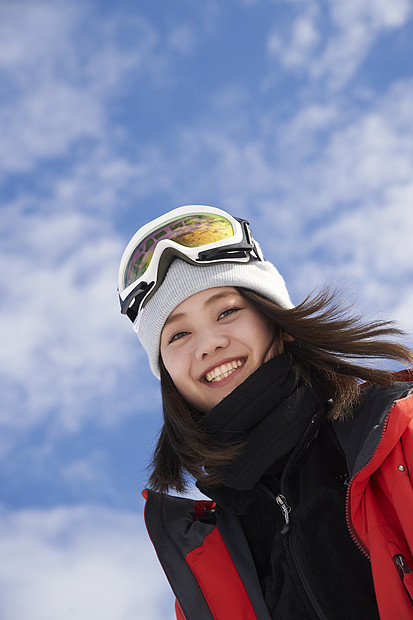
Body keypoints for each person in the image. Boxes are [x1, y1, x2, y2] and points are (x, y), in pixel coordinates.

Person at [117, 205, 413, 620]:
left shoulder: (399, 436)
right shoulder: (205, 570)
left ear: (279, 323)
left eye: (227, 311)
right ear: (167, 375)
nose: (209, 344)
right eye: (179, 334)